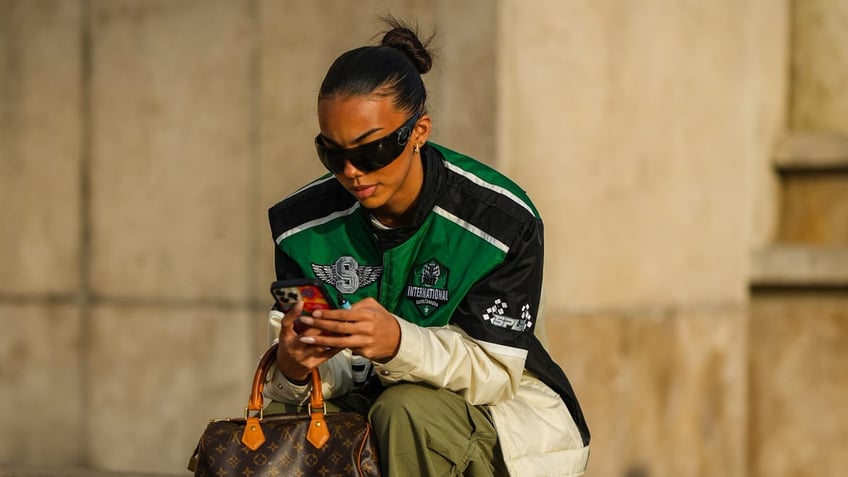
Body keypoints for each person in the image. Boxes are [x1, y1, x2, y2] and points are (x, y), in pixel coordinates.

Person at [263, 17, 590, 477]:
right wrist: (295, 364)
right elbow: (324, 375)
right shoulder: (301, 225)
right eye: (332, 153)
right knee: (286, 421)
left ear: (419, 131)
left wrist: (397, 342)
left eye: (370, 150)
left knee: (405, 411)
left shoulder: (500, 221)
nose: (352, 170)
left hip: (500, 419)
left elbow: (494, 373)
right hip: (372, 403)